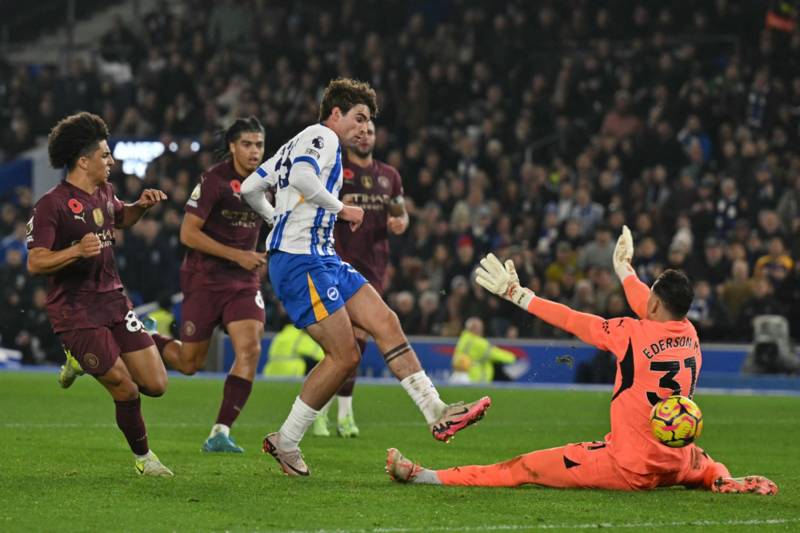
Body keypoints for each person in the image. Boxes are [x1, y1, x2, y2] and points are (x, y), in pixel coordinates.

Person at [386, 227, 778, 496]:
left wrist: (519, 295)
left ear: (655, 303)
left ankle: (427, 477)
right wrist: (624, 268)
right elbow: (647, 301)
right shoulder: (689, 334)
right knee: (708, 466)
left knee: (524, 468)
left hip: (628, 465)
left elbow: (574, 320)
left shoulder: (630, 333)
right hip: (677, 460)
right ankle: (722, 479)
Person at [241, 77, 490, 477]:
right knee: (345, 356)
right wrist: (341, 209)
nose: (363, 128)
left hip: (322, 257)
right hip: (301, 260)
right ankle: (286, 441)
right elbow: (303, 180)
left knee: (385, 322)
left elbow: (252, 187)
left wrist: (276, 221)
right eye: (358, 118)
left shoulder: (298, 142)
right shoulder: (322, 136)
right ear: (335, 113)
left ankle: (436, 411)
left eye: (369, 121)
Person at [27, 112, 173, 476]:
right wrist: (76, 251)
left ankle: (89, 357)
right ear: (83, 160)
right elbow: (36, 261)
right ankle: (144, 460)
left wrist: (140, 206)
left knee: (156, 385)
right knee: (126, 388)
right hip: (75, 312)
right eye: (106, 155)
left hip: (113, 300)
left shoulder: (105, 192)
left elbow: (120, 217)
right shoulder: (52, 204)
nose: (112, 161)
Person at [155, 117, 269, 453]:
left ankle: (220, 432)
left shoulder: (269, 181)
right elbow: (188, 233)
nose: (254, 151)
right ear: (233, 146)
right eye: (247, 144)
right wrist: (238, 255)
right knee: (190, 364)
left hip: (243, 281)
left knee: (250, 348)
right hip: (204, 277)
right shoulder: (215, 180)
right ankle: (141, 339)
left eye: (259, 145)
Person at [313, 118, 410, 438]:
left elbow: (400, 212)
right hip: (338, 262)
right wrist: (339, 207)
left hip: (373, 267)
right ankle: (338, 414)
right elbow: (315, 206)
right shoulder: (337, 171)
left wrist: (401, 223)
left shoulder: (389, 177)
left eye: (370, 131)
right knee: (348, 342)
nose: (366, 136)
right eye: (361, 131)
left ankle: (329, 413)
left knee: (355, 345)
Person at [449, 317, 516, 384]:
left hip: (462, 376)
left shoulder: (462, 340)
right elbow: (496, 354)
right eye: (480, 328)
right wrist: (512, 357)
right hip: (476, 379)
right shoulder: (479, 343)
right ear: (474, 328)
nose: (482, 330)